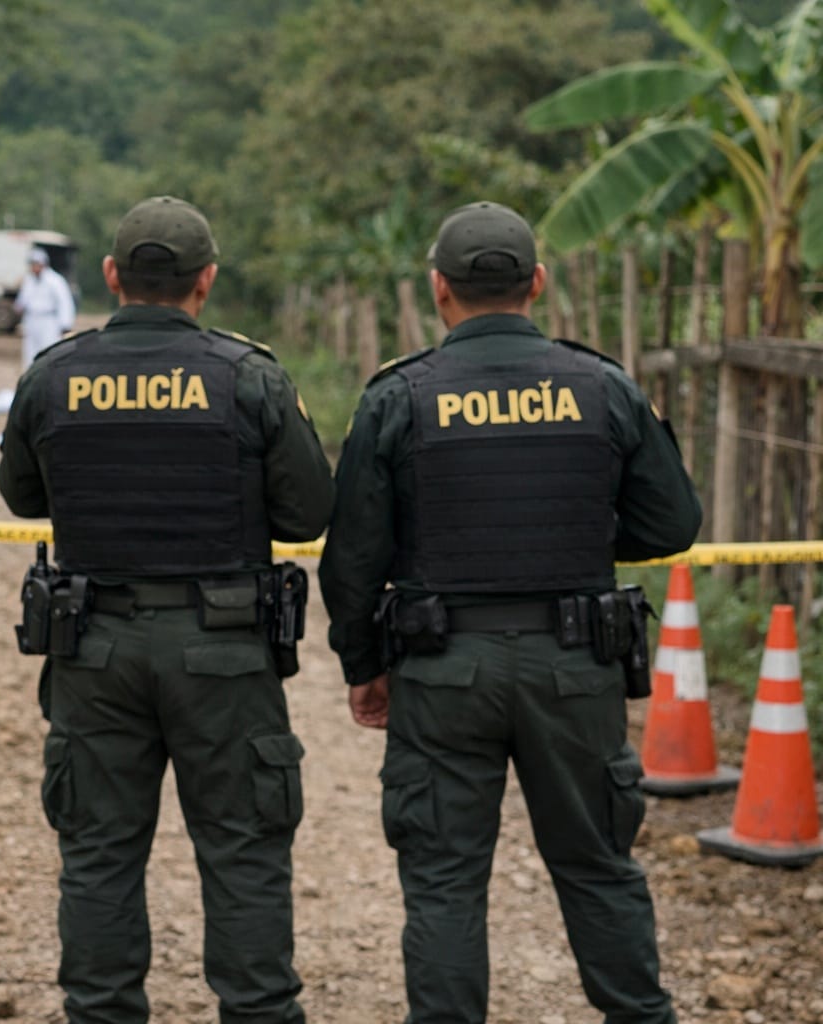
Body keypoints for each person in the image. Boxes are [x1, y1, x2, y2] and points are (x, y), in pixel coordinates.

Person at [317, 201, 699, 1024]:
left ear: (437, 290)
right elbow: (674, 524)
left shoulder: (399, 397)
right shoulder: (604, 386)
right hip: (575, 666)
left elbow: (352, 557)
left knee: (445, 878)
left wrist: (363, 666)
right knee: (598, 865)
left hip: (442, 668)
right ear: (538, 283)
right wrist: (583, 542)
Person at [0, 195, 336, 1024]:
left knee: (100, 857)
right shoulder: (249, 376)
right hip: (226, 652)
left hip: (95, 651)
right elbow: (307, 515)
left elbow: (19, 495)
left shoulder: (53, 374)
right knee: (245, 853)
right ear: (206, 282)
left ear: (112, 277)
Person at [14, 246, 75, 368]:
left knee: (48, 350)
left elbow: (65, 302)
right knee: (30, 352)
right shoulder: (29, 280)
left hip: (49, 321)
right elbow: (23, 300)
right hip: (32, 319)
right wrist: (18, 307)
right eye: (32, 264)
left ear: (43, 264)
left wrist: (65, 324)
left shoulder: (55, 280)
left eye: (36, 264)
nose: (33, 267)